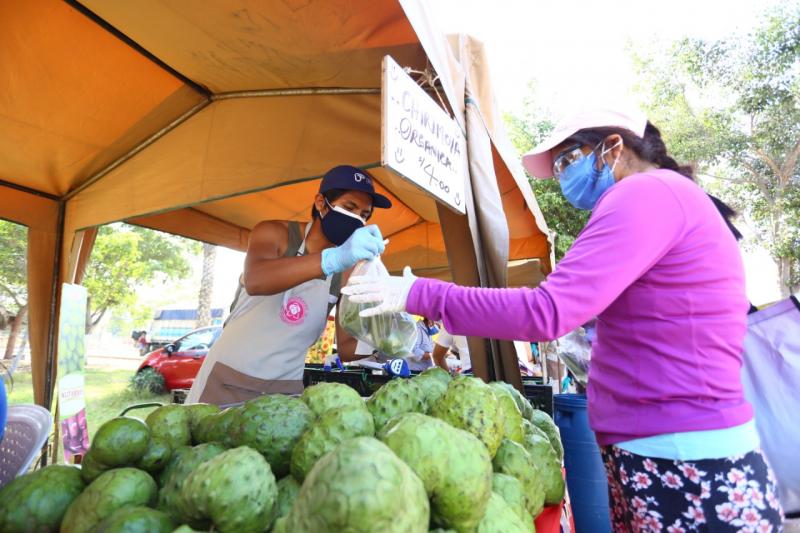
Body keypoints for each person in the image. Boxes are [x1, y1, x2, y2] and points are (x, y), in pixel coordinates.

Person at [342, 108, 784, 530]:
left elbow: (547, 311)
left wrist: (421, 293)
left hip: (681, 458)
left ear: (614, 147)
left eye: (567, 161)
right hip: (670, 448)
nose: (561, 177)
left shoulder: (645, 193)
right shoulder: (669, 196)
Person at [186, 165, 391, 404]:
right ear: (321, 203)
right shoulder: (274, 233)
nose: (358, 219)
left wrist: (388, 338)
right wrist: (332, 259)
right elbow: (256, 280)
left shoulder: (346, 270)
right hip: (227, 378)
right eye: (349, 207)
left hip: (284, 391)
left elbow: (347, 347)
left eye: (365, 215)